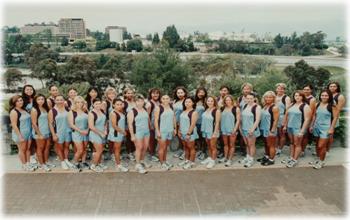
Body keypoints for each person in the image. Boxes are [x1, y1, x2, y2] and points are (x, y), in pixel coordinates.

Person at [309, 89, 338, 169]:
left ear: (329, 96)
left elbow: (335, 118)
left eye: (326, 95)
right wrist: (311, 125)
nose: (324, 97)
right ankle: (318, 159)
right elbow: (314, 115)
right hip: (316, 127)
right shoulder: (317, 104)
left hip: (326, 128)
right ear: (320, 96)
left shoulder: (332, 105)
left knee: (321, 145)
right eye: (322, 95)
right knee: (317, 145)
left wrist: (331, 128)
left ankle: (321, 161)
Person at [282, 91, 311, 168]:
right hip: (290, 127)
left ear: (302, 97)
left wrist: (302, 131)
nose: (297, 97)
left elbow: (307, 120)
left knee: (297, 144)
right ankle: (291, 157)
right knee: (291, 143)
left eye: (299, 96)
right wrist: (285, 125)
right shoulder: (292, 105)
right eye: (295, 95)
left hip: (298, 128)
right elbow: (287, 116)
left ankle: (295, 160)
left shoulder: (305, 106)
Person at [48, 95, 75, 170]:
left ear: (64, 100)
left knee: (66, 146)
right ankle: (62, 161)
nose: (59, 101)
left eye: (61, 99)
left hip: (68, 131)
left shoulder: (67, 109)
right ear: (55, 101)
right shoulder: (52, 111)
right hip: (58, 132)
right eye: (57, 100)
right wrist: (53, 134)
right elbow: (50, 124)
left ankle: (66, 160)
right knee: (60, 148)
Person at [9, 95, 34, 171]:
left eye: (21, 100)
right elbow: (14, 125)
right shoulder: (14, 112)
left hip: (28, 133)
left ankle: (28, 164)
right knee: (22, 150)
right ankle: (24, 165)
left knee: (28, 149)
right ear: (14, 103)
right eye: (18, 101)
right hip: (20, 134)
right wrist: (20, 136)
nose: (20, 102)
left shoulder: (24, 109)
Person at [128, 94, 151, 174]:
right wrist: (132, 135)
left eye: (141, 101)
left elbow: (147, 119)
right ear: (135, 102)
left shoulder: (145, 109)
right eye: (138, 101)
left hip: (146, 132)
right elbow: (130, 124)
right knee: (139, 148)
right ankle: (137, 165)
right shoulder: (132, 111)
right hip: (138, 132)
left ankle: (141, 161)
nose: (140, 103)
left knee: (145, 147)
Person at [154, 95, 177, 171]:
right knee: (161, 148)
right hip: (162, 131)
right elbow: (156, 121)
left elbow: (174, 118)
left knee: (166, 148)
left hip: (170, 130)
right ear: (161, 100)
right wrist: (157, 131)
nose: (165, 100)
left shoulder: (171, 107)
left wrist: (174, 128)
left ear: (169, 99)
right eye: (163, 98)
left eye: (167, 98)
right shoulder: (158, 108)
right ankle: (162, 164)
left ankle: (165, 161)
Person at [239, 92, 261, 168]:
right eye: (248, 98)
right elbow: (242, 118)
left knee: (251, 145)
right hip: (244, 129)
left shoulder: (257, 107)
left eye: (251, 98)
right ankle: (247, 157)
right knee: (247, 144)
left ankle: (251, 160)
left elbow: (257, 120)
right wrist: (240, 128)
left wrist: (252, 129)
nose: (249, 100)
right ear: (245, 99)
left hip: (251, 130)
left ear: (254, 99)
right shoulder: (245, 105)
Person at [68, 96, 89, 171]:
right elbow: (71, 124)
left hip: (86, 132)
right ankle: (75, 162)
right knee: (80, 149)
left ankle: (83, 162)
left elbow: (90, 121)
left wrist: (87, 130)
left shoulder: (86, 110)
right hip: (77, 133)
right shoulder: (72, 112)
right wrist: (81, 131)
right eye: (77, 102)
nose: (79, 104)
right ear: (75, 103)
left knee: (85, 148)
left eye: (81, 102)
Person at [31, 94, 52, 172]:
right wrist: (39, 134)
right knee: (40, 148)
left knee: (47, 148)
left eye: (42, 99)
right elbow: (34, 123)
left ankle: (45, 162)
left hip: (47, 131)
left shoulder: (45, 108)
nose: (41, 101)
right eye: (39, 99)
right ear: (35, 101)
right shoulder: (34, 109)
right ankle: (41, 164)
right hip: (39, 133)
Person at [258, 91, 279, 166]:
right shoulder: (265, 106)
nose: (268, 98)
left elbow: (276, 120)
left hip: (270, 129)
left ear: (273, 98)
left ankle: (271, 159)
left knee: (271, 145)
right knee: (266, 144)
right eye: (266, 97)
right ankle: (267, 156)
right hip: (263, 128)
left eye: (270, 97)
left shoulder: (274, 107)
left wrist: (272, 130)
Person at [108, 98, 129, 172]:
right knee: (117, 150)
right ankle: (118, 165)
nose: (119, 106)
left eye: (120, 104)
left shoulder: (121, 112)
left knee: (117, 149)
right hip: (116, 133)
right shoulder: (113, 113)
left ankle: (118, 163)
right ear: (113, 105)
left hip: (120, 133)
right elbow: (114, 126)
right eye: (117, 104)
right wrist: (123, 132)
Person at [200, 96, 221, 169]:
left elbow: (217, 123)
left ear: (214, 102)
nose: (209, 102)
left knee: (213, 146)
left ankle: (213, 161)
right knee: (208, 146)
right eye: (208, 101)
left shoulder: (216, 111)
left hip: (212, 131)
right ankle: (210, 158)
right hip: (205, 130)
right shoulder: (207, 109)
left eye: (211, 101)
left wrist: (215, 132)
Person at [219, 95, 240, 167]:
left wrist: (235, 129)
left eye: (229, 100)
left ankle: (230, 159)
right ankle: (225, 157)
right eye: (226, 100)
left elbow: (238, 120)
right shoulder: (222, 108)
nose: (228, 101)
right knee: (225, 144)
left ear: (232, 100)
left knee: (232, 145)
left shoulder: (236, 109)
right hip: (224, 129)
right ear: (224, 101)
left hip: (232, 129)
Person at [178, 97, 198, 170]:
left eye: (189, 102)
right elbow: (180, 121)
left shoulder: (194, 112)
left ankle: (191, 162)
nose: (187, 103)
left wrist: (188, 134)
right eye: (186, 102)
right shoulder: (184, 111)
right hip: (182, 132)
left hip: (189, 133)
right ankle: (186, 160)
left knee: (191, 148)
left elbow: (193, 124)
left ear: (193, 103)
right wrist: (179, 130)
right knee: (185, 147)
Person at [88, 98, 108, 172]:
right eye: (96, 104)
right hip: (95, 134)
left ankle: (99, 163)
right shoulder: (91, 113)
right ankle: (93, 165)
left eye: (99, 103)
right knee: (98, 151)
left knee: (101, 150)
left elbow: (105, 122)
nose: (98, 105)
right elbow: (91, 126)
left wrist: (105, 130)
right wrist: (101, 133)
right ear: (93, 104)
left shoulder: (102, 111)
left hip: (103, 133)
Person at [326, 81, 346, 152]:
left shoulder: (340, 96)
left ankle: (327, 150)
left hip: (333, 117)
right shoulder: (326, 95)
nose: (332, 88)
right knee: (323, 134)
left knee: (330, 134)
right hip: (325, 117)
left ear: (337, 87)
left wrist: (334, 119)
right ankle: (322, 148)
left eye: (334, 86)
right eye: (331, 86)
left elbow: (338, 109)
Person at [22, 84, 38, 167]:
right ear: (24, 91)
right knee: (30, 140)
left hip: (36, 121)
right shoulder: (22, 100)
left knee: (35, 139)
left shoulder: (35, 99)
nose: (29, 91)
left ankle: (35, 155)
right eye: (27, 89)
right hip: (27, 122)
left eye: (31, 89)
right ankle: (31, 156)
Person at [275, 83, 291, 156]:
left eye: (282, 89)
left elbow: (287, 111)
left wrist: (285, 122)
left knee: (282, 134)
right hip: (274, 118)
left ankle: (280, 149)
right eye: (278, 88)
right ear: (276, 89)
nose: (280, 90)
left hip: (282, 117)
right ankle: (276, 147)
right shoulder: (274, 97)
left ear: (284, 90)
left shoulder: (286, 98)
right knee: (276, 134)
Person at [146, 88, 161, 162]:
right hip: (152, 124)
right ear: (150, 94)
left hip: (158, 124)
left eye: (157, 93)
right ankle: (151, 155)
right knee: (151, 140)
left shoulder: (159, 102)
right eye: (153, 93)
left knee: (156, 139)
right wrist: (149, 125)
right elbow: (147, 116)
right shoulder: (149, 104)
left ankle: (154, 152)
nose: (155, 95)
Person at [301, 84, 317, 156]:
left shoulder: (312, 99)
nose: (306, 91)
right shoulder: (301, 97)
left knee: (305, 135)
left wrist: (310, 124)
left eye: (307, 89)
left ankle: (302, 150)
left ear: (311, 90)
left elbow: (311, 112)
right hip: (299, 118)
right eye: (304, 89)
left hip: (306, 119)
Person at [172, 86, 188, 159]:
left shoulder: (187, 101)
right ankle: (181, 150)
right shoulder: (175, 101)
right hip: (176, 122)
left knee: (184, 137)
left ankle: (186, 152)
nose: (180, 94)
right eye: (178, 93)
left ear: (184, 93)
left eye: (181, 92)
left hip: (184, 122)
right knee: (179, 137)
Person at [103, 87, 118, 161]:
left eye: (113, 93)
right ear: (107, 94)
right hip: (109, 123)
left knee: (116, 138)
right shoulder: (105, 103)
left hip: (117, 122)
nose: (111, 95)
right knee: (111, 139)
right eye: (109, 93)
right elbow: (104, 115)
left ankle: (116, 152)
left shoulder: (117, 101)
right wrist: (106, 125)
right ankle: (111, 153)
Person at [123, 88, 137, 161]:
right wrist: (125, 125)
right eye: (128, 93)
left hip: (136, 123)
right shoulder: (124, 103)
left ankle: (134, 151)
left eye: (131, 93)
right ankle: (129, 153)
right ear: (125, 94)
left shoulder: (135, 102)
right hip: (127, 123)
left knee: (135, 138)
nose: (130, 95)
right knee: (129, 138)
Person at [194, 87, 207, 160]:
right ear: (197, 93)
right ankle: (199, 150)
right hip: (195, 123)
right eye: (199, 92)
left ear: (205, 93)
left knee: (203, 138)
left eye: (202, 92)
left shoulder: (206, 101)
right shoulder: (194, 101)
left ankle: (204, 152)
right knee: (197, 138)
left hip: (203, 123)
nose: (201, 94)